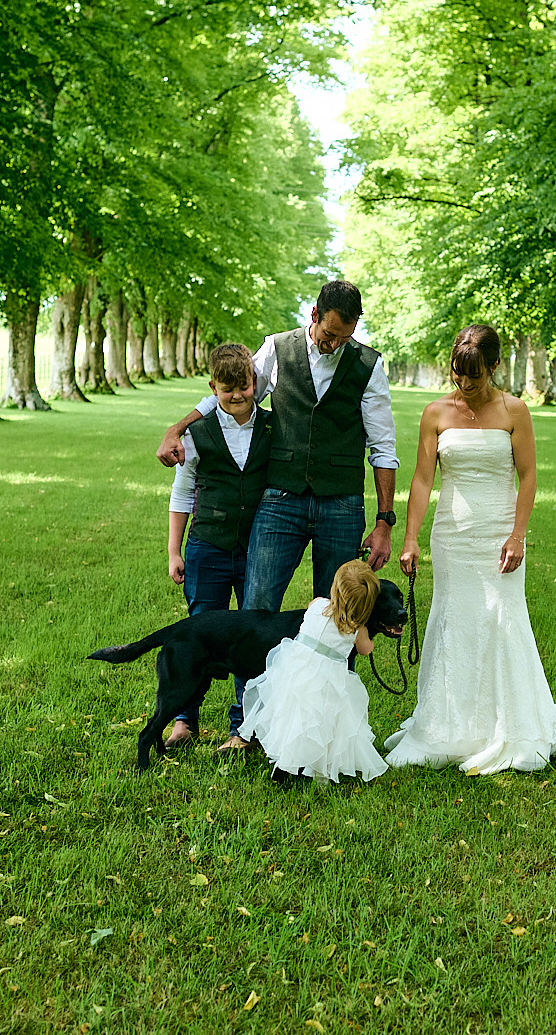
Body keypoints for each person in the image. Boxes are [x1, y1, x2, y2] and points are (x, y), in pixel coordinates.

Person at [155, 281, 400, 749]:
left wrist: (384, 521)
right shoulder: (277, 349)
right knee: (256, 608)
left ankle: (328, 726)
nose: (334, 344)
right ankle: (245, 728)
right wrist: (178, 427)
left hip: (342, 504)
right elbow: (234, 390)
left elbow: (383, 446)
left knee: (341, 617)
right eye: (328, 334)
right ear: (314, 315)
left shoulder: (369, 365)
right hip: (280, 500)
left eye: (344, 337)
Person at [387, 323, 556, 774]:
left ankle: (509, 723)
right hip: (452, 536)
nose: (465, 383)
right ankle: (450, 724)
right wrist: (411, 537)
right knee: (455, 621)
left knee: (502, 621)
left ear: (495, 366)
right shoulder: (435, 413)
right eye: (457, 373)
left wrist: (518, 535)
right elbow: (422, 479)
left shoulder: (515, 411)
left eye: (475, 375)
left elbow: (528, 476)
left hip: (500, 536)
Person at [163, 344, 271, 751]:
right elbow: (182, 493)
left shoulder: (272, 427)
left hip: (255, 548)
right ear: (213, 388)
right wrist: (174, 551)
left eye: (244, 387)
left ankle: (243, 727)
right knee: (200, 634)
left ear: (254, 383)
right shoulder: (196, 433)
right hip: (207, 546)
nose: (237, 395)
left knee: (251, 637)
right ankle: (184, 721)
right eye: (227, 390)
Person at [238, 559, 390, 784]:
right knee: (325, 725)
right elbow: (365, 650)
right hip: (327, 685)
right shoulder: (357, 629)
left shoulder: (317, 604)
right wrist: (369, 640)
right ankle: (320, 772)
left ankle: (284, 763)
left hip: (295, 672)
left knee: (292, 719)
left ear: (335, 588)